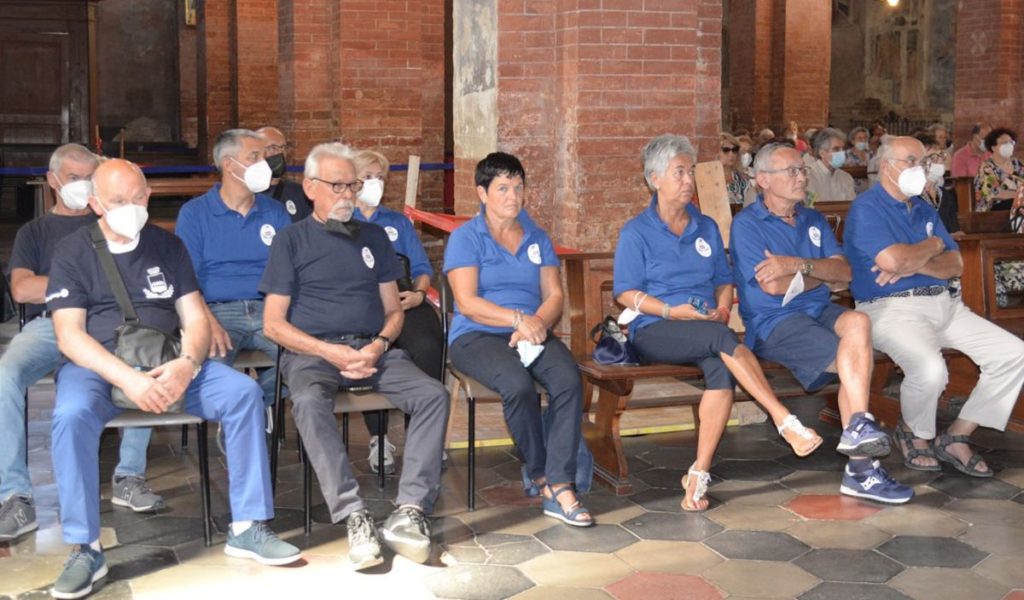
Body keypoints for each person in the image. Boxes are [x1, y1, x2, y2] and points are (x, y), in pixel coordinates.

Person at [46, 159, 300, 599]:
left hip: (167, 361)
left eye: (138, 197)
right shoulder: (73, 251)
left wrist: (187, 364)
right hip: (100, 367)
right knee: (70, 415)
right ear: (95, 204)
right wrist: (130, 379)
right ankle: (85, 547)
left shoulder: (168, 246)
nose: (131, 207)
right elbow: (69, 336)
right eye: (118, 201)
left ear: (149, 195)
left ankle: (248, 526)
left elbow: (195, 318)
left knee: (242, 393)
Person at [261, 142, 449, 569]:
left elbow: (393, 311)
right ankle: (353, 515)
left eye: (353, 185)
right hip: (314, 353)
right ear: (311, 188)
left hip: (372, 348)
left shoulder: (375, 237)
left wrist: (379, 344)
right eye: (338, 186)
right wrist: (328, 350)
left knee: (433, 395)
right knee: (308, 402)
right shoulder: (291, 240)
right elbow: (273, 324)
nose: (348, 194)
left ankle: (411, 510)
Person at [613, 135, 824, 513]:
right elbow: (625, 294)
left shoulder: (706, 226)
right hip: (655, 328)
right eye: (679, 172)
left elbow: (723, 281)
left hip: (707, 329)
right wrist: (671, 311)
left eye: (690, 172)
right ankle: (783, 419)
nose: (688, 180)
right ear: (654, 179)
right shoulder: (636, 231)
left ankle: (698, 472)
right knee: (720, 339)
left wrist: (723, 311)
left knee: (720, 369)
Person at [731, 143, 913, 505]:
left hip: (818, 311)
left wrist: (796, 265)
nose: (802, 177)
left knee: (858, 320)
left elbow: (845, 273)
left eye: (802, 170)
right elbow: (773, 287)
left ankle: (858, 427)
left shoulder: (813, 219)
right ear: (763, 180)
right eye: (792, 171)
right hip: (775, 322)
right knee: (853, 362)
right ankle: (861, 468)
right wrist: (819, 275)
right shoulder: (747, 225)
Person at [0, 145, 163, 544]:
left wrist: (72, 287)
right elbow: (22, 289)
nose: (83, 185)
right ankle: (15, 495)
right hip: (49, 324)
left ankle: (129, 476)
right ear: (53, 180)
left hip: (108, 322)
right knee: (5, 375)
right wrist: (77, 285)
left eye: (90, 178)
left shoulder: (115, 221)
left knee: (145, 355)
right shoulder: (35, 232)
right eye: (74, 178)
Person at [844, 136, 1024, 477]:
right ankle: (913, 433)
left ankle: (957, 435)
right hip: (892, 309)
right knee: (930, 370)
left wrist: (915, 262)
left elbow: (956, 264)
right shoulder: (867, 208)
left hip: (946, 305)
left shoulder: (924, 207)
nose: (921, 168)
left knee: (1013, 354)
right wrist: (933, 245)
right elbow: (893, 260)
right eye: (912, 161)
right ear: (887, 167)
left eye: (924, 161)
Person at [445, 152, 593, 526]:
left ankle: (560, 482)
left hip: (531, 330)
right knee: (517, 385)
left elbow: (554, 295)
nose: (513, 196)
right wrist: (517, 320)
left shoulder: (536, 237)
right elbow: (467, 302)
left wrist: (537, 322)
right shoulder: (465, 238)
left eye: (518, 187)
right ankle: (542, 475)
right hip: (477, 335)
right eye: (503, 188)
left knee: (568, 379)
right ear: (482, 193)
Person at [175, 129, 292, 419]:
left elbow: (289, 271)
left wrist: (280, 314)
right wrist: (207, 322)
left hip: (269, 308)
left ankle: (251, 407)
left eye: (265, 156)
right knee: (213, 373)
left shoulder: (275, 212)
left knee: (307, 364)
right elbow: (186, 279)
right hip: (217, 311)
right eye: (255, 156)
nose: (265, 163)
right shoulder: (195, 213)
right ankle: (242, 416)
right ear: (229, 164)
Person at [351, 149, 444, 474]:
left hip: (405, 298)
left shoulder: (397, 222)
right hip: (365, 303)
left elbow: (422, 267)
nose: (374, 183)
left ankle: (422, 436)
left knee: (428, 346)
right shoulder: (343, 221)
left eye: (380, 177)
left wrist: (418, 294)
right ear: (351, 181)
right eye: (367, 177)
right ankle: (378, 438)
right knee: (369, 348)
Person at [257, 126, 312, 222]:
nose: (280, 153)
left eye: (283, 148)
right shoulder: (246, 193)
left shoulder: (299, 193)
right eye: (273, 148)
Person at [914, 133, 960, 235]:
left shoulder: (946, 195)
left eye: (941, 155)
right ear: (918, 163)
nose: (940, 161)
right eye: (933, 157)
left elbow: (955, 230)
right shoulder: (911, 197)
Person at [974, 127, 1024, 212]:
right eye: (1004, 143)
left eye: (1011, 142)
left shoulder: (1017, 164)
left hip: (1018, 204)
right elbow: (993, 193)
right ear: (993, 147)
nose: (1009, 145)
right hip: (995, 207)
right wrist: (1019, 195)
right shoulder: (987, 167)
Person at [805, 128, 856, 205]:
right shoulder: (809, 175)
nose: (842, 153)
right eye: (836, 149)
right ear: (822, 153)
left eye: (843, 149)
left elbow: (851, 206)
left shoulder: (846, 177)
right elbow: (810, 206)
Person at [719, 132, 751, 205]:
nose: (731, 154)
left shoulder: (743, 179)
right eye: (726, 150)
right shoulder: (708, 179)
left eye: (735, 150)